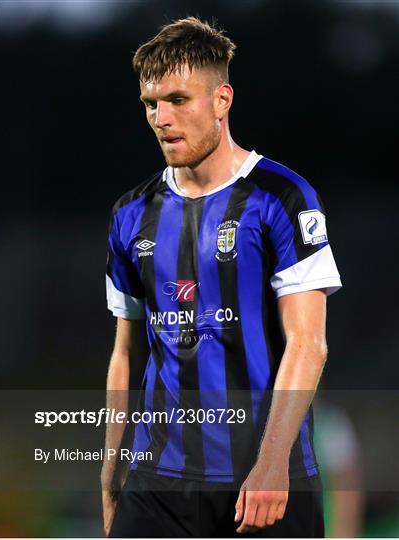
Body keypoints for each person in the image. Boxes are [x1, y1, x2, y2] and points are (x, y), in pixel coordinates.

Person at [102, 16, 342, 538]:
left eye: (178, 99)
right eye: (150, 103)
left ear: (222, 99)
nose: (162, 117)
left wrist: (273, 463)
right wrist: (109, 468)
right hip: (157, 482)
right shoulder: (130, 214)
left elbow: (309, 343)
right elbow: (127, 352)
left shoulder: (282, 197)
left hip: (266, 479)